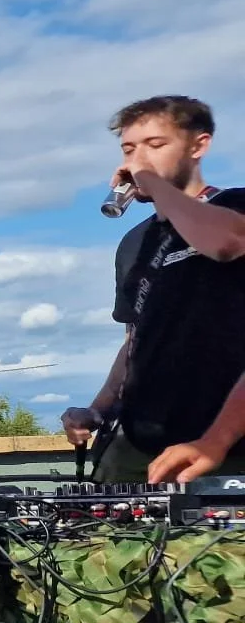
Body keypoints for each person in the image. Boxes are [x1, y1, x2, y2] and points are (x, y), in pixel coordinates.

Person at [63, 95, 245, 485]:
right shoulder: (135, 242)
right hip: (141, 444)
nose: (137, 159)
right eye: (129, 149)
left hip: (225, 448)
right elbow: (135, 340)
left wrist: (149, 181)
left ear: (199, 146)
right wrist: (97, 410)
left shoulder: (233, 205)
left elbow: (227, 242)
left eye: (156, 145)